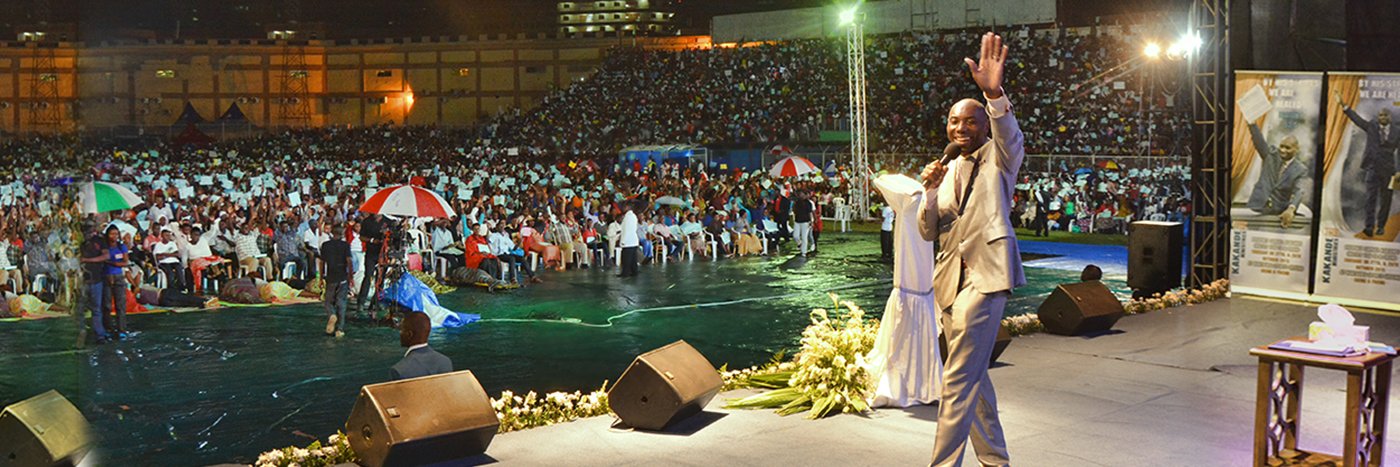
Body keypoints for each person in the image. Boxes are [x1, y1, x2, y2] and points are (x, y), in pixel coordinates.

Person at [917, 32, 1023, 467]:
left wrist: (993, 94)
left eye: (970, 121)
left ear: (984, 124)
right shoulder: (946, 167)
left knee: (957, 377)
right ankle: (995, 460)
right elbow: (928, 231)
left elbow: (1008, 132)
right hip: (949, 282)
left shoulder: (1001, 156)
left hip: (986, 276)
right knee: (973, 377)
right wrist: (929, 192)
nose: (960, 128)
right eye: (954, 121)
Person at [1336, 93, 1400, 237]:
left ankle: (1381, 226)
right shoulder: (1371, 126)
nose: (1382, 117)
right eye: (1380, 115)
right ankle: (1369, 227)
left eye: (1385, 115)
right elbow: (1357, 120)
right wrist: (1344, 106)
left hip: (1389, 171)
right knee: (1370, 199)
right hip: (1372, 169)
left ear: (1390, 117)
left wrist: (1399, 171)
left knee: (1386, 200)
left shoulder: (1397, 131)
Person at [1245, 110, 1312, 229]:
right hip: (1257, 207)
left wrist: (1291, 209)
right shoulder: (1271, 155)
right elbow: (1259, 141)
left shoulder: (1301, 170)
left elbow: (1299, 190)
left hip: (1279, 211)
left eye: (1288, 148)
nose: (1282, 150)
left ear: (1296, 149)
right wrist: (1252, 124)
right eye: (1281, 146)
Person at [390, 311, 453, 381]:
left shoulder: (400, 370)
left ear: (409, 334)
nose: (400, 333)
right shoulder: (445, 362)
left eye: (402, 330)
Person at [80, 225, 113, 343]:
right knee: (81, 309)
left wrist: (87, 260)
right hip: (82, 280)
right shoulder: (80, 243)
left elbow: (106, 255)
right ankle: (82, 333)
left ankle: (99, 334)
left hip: (96, 279)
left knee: (97, 309)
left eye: (90, 231)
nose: (88, 234)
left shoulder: (99, 241)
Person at [320, 224, 352, 338]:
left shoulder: (325, 245)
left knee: (328, 301)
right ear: (342, 234)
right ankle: (340, 329)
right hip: (342, 276)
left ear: (332, 233)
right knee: (341, 302)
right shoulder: (345, 245)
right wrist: (350, 276)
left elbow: (322, 262)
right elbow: (349, 261)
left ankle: (332, 314)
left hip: (331, 276)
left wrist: (320, 277)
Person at [102, 225, 132, 339]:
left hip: (118, 276)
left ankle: (121, 329)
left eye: (116, 234)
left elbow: (125, 262)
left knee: (120, 305)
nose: (114, 236)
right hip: (106, 276)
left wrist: (112, 263)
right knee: (107, 305)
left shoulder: (121, 246)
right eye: (111, 234)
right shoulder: (104, 247)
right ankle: (107, 328)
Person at [619, 201, 640, 277]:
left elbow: (626, 230)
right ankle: (634, 271)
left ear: (628, 207)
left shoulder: (627, 217)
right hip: (633, 240)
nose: (622, 208)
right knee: (633, 259)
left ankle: (625, 273)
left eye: (624, 206)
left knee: (626, 259)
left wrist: (623, 241)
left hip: (628, 241)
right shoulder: (634, 216)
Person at [791, 190, 814, 257]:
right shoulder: (797, 202)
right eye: (800, 194)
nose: (801, 195)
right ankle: (799, 243)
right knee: (795, 235)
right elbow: (794, 210)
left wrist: (811, 221)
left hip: (805, 221)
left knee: (804, 237)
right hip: (797, 221)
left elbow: (810, 213)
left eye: (802, 194)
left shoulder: (808, 203)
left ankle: (804, 252)